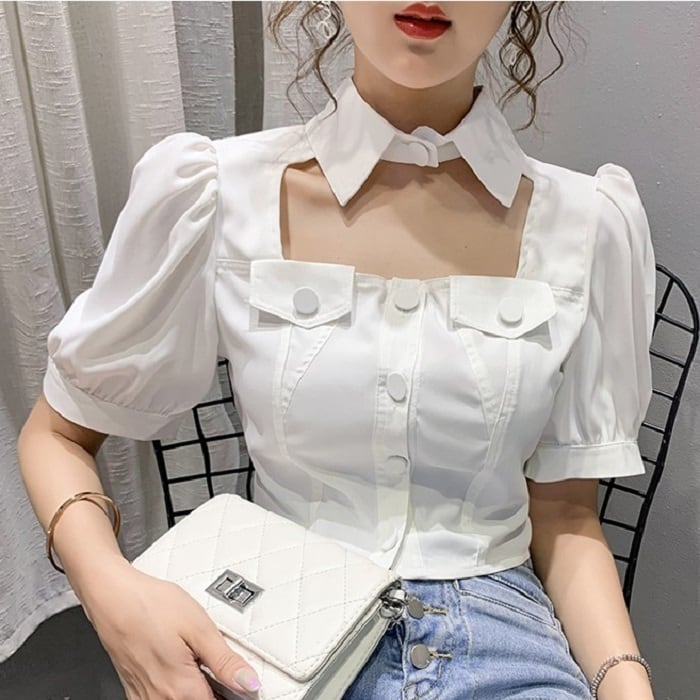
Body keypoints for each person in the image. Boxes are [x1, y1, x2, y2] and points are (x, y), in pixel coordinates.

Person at [17, 2, 657, 699]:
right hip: (273, 639)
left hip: (503, 646)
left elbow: (565, 513)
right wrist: (113, 594)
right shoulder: (218, 191)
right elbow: (57, 433)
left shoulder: (586, 225)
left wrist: (626, 683)